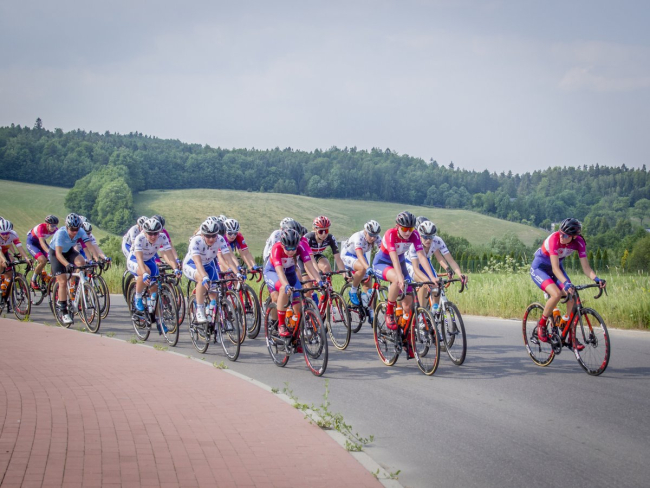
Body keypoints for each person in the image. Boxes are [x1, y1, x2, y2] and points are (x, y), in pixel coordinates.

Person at [530, 218, 605, 350]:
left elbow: (586, 268)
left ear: (574, 237)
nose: (562, 237)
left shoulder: (579, 242)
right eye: (561, 233)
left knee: (573, 295)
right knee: (557, 294)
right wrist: (566, 283)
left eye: (565, 236)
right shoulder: (554, 239)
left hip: (557, 269)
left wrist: (597, 279)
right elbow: (554, 268)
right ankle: (541, 325)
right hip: (540, 269)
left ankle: (570, 334)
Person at [372, 211, 438, 331]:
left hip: (400, 263)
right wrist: (400, 277)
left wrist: (431, 277)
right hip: (383, 263)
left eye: (411, 228)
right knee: (398, 279)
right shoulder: (390, 234)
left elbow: (422, 257)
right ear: (397, 226)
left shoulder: (415, 235)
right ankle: (389, 312)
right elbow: (394, 259)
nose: (408, 232)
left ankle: (405, 339)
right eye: (404, 228)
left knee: (408, 305)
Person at [264, 229, 318, 337]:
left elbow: (310, 266)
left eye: (294, 248)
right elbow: (279, 272)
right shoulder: (276, 248)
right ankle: (281, 325)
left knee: (298, 305)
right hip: (273, 272)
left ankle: (296, 337)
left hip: (289, 273)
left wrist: (320, 281)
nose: (291, 251)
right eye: (288, 248)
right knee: (283, 289)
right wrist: (287, 285)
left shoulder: (301, 248)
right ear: (283, 245)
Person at [406, 220, 467, 312]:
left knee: (437, 284)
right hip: (410, 263)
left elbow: (450, 260)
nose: (428, 240)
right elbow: (416, 269)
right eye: (425, 237)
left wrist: (460, 274)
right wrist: (426, 280)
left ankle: (434, 312)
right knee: (424, 282)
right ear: (419, 235)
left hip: (425, 262)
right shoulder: (414, 245)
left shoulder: (437, 241)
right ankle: (422, 314)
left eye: (431, 237)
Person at [127, 217, 181, 315]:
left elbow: (168, 254)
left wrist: (175, 268)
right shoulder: (140, 238)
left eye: (156, 233)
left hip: (149, 260)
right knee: (146, 271)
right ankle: (138, 297)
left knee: (155, 284)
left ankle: (153, 309)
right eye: (150, 234)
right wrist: (143, 273)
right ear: (145, 232)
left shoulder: (162, 237)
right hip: (135, 259)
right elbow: (139, 259)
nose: (153, 236)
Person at [183, 219, 234, 324]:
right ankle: (200, 311)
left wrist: (236, 272)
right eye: (208, 236)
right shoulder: (196, 241)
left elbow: (228, 258)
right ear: (202, 235)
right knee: (202, 278)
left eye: (213, 236)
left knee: (214, 292)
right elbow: (197, 263)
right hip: (192, 264)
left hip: (208, 265)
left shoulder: (220, 239)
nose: (211, 239)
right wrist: (204, 277)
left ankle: (212, 313)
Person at [48, 213, 93, 324]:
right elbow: (58, 254)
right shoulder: (60, 234)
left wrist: (94, 260)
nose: (75, 232)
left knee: (81, 262)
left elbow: (89, 246)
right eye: (72, 230)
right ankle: (64, 312)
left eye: (76, 229)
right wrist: (67, 264)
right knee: (62, 281)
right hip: (56, 254)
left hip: (68, 251)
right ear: (67, 227)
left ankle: (75, 285)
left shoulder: (80, 231)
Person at [341, 220, 381, 305]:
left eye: (375, 236)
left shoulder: (377, 237)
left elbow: (383, 252)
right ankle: (353, 291)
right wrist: (367, 267)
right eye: (371, 235)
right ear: (365, 232)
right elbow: (359, 255)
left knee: (368, 284)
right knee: (362, 268)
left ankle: (370, 313)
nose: (373, 238)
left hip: (361, 255)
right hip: (348, 255)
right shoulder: (358, 237)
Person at [26, 215, 59, 290]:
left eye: (55, 225)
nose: (54, 227)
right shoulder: (41, 227)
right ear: (47, 224)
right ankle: (33, 279)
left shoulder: (55, 230)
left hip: (41, 243)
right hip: (32, 243)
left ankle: (50, 276)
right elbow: (42, 242)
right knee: (43, 260)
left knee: (55, 258)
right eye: (52, 225)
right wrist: (49, 252)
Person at [1, 219, 33, 296]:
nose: (5, 235)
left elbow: (19, 247)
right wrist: (4, 260)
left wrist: (26, 257)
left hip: (4, 252)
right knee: (2, 263)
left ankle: (6, 287)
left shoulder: (13, 235)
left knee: (10, 271)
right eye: (3, 233)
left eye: (7, 233)